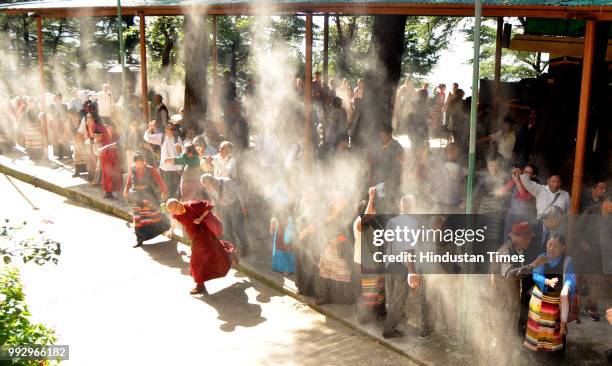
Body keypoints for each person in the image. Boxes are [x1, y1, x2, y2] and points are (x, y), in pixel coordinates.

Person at [166, 198, 236, 295]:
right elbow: (173, 219)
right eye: (172, 211)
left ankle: (200, 286)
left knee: (195, 262)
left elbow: (209, 206)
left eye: (175, 209)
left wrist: (200, 218)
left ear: (179, 204)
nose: (175, 213)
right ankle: (231, 254)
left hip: (205, 234)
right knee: (216, 252)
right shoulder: (176, 214)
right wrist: (171, 230)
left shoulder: (192, 205)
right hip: (194, 237)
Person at [524, 234, 576, 362]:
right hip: (540, 300)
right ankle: (537, 357)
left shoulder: (567, 261)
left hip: (556, 303)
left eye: (555, 245)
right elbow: (536, 275)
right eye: (549, 245)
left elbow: (571, 277)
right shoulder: (542, 258)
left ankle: (556, 358)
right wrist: (547, 281)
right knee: (538, 330)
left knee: (556, 331)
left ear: (563, 247)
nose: (551, 248)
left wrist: (566, 287)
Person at [382, 195, 420, 339]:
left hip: (389, 263)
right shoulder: (411, 223)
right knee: (397, 301)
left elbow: (386, 242)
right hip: (400, 267)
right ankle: (389, 330)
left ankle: (395, 323)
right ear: (412, 207)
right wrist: (412, 272)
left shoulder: (392, 221)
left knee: (391, 298)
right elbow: (408, 250)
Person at [575, 191, 612, 322]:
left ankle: (591, 307)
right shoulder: (591, 210)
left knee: (598, 281)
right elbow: (577, 229)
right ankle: (576, 308)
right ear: (607, 202)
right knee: (582, 281)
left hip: (602, 254)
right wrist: (582, 243)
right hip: (585, 252)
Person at [123, 152, 170, 247]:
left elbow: (159, 180)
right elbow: (129, 180)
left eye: (140, 163)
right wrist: (126, 190)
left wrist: (164, 191)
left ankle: (165, 227)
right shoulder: (133, 169)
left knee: (153, 215)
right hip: (136, 197)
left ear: (144, 161)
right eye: (136, 163)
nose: (138, 165)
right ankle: (139, 239)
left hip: (148, 196)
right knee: (138, 218)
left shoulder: (150, 169)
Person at [200, 174, 250, 257]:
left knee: (237, 228)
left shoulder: (227, 182)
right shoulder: (209, 189)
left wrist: (244, 206)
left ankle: (245, 247)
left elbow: (239, 193)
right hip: (223, 209)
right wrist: (217, 212)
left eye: (206, 185)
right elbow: (214, 200)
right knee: (227, 230)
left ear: (210, 181)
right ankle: (232, 248)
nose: (206, 188)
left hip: (235, 205)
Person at [143, 120, 183, 198]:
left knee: (176, 190)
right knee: (167, 190)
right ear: (165, 129)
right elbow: (147, 137)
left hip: (175, 169)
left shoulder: (178, 139)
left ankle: (174, 205)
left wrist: (180, 167)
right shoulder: (162, 137)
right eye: (170, 129)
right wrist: (150, 128)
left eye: (173, 129)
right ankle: (169, 205)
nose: (172, 131)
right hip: (165, 169)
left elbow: (181, 154)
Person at [501, 165, 537, 238]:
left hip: (524, 218)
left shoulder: (535, 187)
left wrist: (517, 181)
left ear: (533, 176)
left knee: (520, 243)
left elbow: (525, 197)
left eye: (528, 172)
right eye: (524, 171)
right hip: (511, 216)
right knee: (507, 240)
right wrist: (513, 175)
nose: (525, 174)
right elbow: (503, 191)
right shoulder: (516, 180)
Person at [270, 203, 296, 275]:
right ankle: (279, 267)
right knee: (280, 248)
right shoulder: (279, 206)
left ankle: (287, 269)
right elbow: (274, 217)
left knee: (287, 249)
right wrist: (272, 225)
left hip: (288, 230)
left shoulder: (291, 214)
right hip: (280, 230)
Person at [98, 124, 122, 199]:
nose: (110, 130)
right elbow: (99, 144)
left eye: (111, 128)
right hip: (106, 158)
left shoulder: (116, 136)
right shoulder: (104, 136)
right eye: (108, 128)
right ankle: (107, 192)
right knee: (106, 175)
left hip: (114, 158)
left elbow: (119, 145)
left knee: (115, 175)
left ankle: (115, 191)